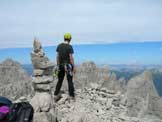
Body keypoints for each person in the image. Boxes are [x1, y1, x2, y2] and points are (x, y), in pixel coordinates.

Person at [54, 33, 75, 101]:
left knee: (60, 80)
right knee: (70, 80)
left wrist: (57, 65)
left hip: (60, 65)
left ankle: (56, 94)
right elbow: (71, 58)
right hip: (68, 66)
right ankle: (71, 96)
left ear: (64, 38)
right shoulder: (69, 47)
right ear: (70, 39)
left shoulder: (59, 46)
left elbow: (57, 56)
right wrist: (73, 67)